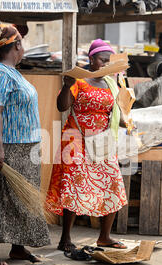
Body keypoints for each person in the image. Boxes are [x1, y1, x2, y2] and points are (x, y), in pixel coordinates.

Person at [0, 24, 50, 265]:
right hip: (6, 145)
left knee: (20, 199)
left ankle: (18, 248)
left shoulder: (13, 72)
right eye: (22, 42)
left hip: (24, 147)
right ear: (17, 44)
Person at [45, 39, 128, 252]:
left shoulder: (111, 83)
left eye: (109, 61)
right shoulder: (79, 81)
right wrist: (66, 86)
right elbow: (62, 106)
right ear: (91, 59)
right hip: (76, 139)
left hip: (102, 141)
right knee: (74, 186)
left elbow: (118, 113)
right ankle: (65, 239)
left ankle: (105, 237)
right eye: (102, 60)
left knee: (113, 184)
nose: (106, 64)